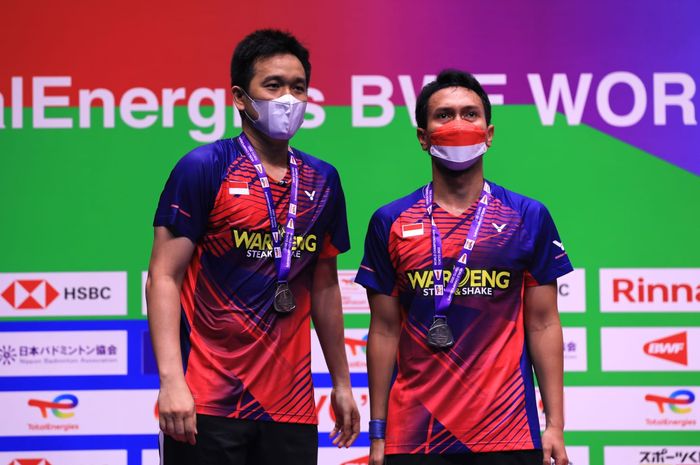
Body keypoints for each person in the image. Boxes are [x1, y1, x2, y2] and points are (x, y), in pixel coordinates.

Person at [146, 29, 360, 465]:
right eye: (274, 85)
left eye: (298, 87)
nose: (288, 98)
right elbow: (163, 277)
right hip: (206, 400)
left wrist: (341, 381)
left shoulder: (323, 180)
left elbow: (324, 287)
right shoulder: (204, 167)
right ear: (241, 98)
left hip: (291, 405)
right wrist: (171, 381)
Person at [355, 70, 572, 465]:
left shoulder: (529, 216)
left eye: (470, 114)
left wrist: (554, 425)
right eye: (444, 115)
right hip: (415, 436)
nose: (458, 125)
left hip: (508, 435)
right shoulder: (390, 221)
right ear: (423, 137)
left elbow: (543, 324)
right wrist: (378, 434)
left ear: (489, 133)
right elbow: (384, 331)